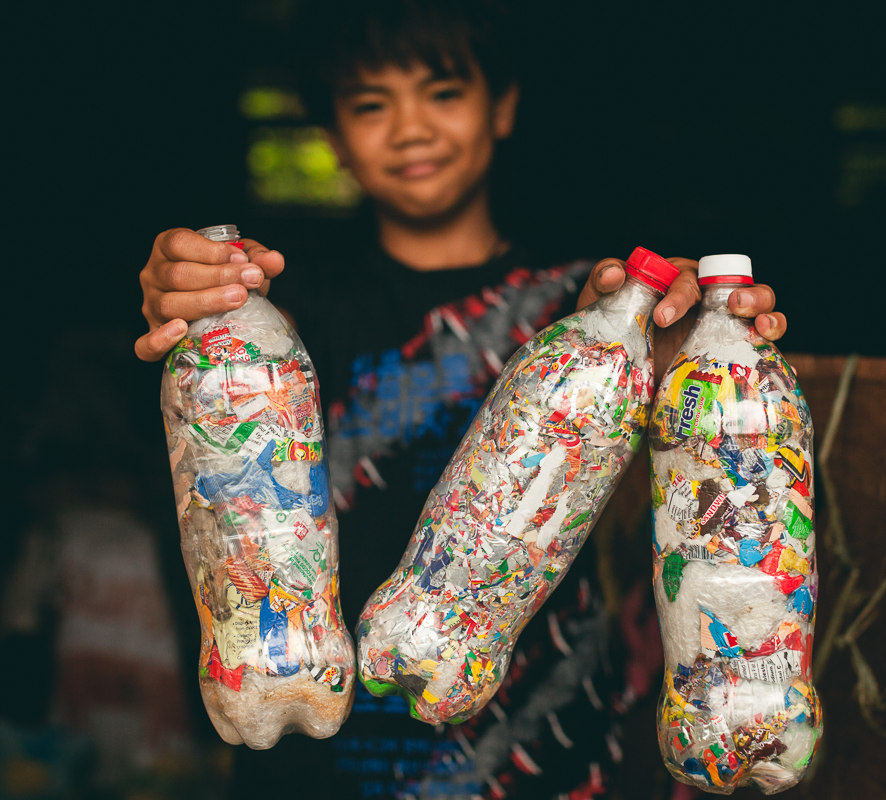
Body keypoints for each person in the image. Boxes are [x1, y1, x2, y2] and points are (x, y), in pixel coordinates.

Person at [136, 2, 786, 797]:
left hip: (547, 746)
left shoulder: (576, 304)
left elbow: (706, 482)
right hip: (320, 738)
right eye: (372, 104)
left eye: (442, 92)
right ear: (333, 138)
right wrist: (199, 298)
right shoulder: (296, 306)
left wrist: (684, 343)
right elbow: (235, 393)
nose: (410, 128)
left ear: (502, 106)